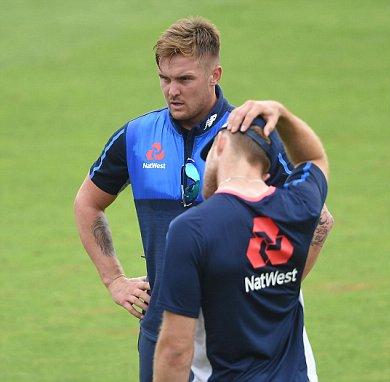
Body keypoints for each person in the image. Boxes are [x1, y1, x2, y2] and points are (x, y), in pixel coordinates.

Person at [73, 17, 333, 382]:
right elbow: (88, 203)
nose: (172, 91)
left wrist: (276, 290)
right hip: (164, 324)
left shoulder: (249, 135)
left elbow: (319, 219)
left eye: (184, 79)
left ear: (215, 75)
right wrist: (114, 280)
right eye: (164, 79)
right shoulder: (136, 136)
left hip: (235, 329)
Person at [153, 100, 328, 381]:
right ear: (266, 172)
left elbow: (174, 350)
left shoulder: (191, 229)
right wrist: (282, 114)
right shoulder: (299, 206)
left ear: (220, 145)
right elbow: (314, 159)